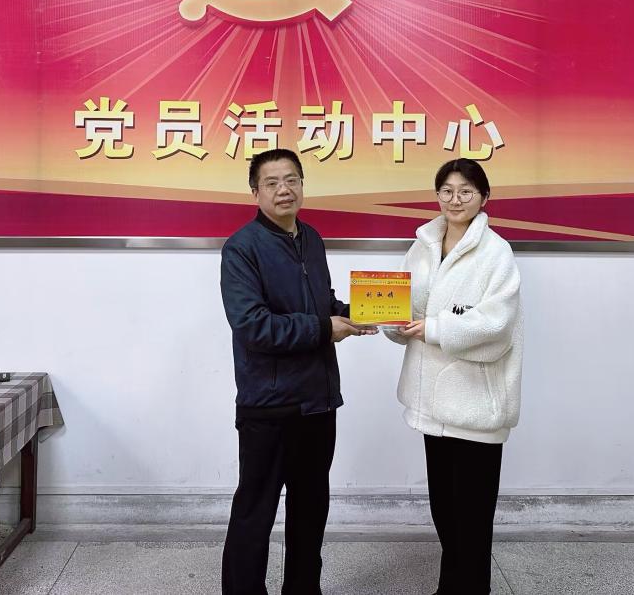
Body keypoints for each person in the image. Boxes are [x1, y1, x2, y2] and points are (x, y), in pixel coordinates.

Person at [220, 147, 376, 595]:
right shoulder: (241, 248)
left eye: (291, 179)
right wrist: (324, 328)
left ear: (303, 185)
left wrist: (357, 313)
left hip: (317, 402)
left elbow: (320, 304)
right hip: (268, 406)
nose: (283, 189)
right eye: (271, 183)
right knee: (254, 513)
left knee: (310, 511)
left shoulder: (311, 238)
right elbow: (253, 326)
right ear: (255, 193)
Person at [386, 158, 523, 595]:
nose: (455, 199)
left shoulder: (496, 252)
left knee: (473, 520)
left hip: (475, 405)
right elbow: (402, 303)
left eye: (466, 191)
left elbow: (495, 324)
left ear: (484, 197)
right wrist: (390, 320)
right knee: (445, 511)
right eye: (447, 190)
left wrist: (434, 328)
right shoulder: (423, 245)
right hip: (431, 405)